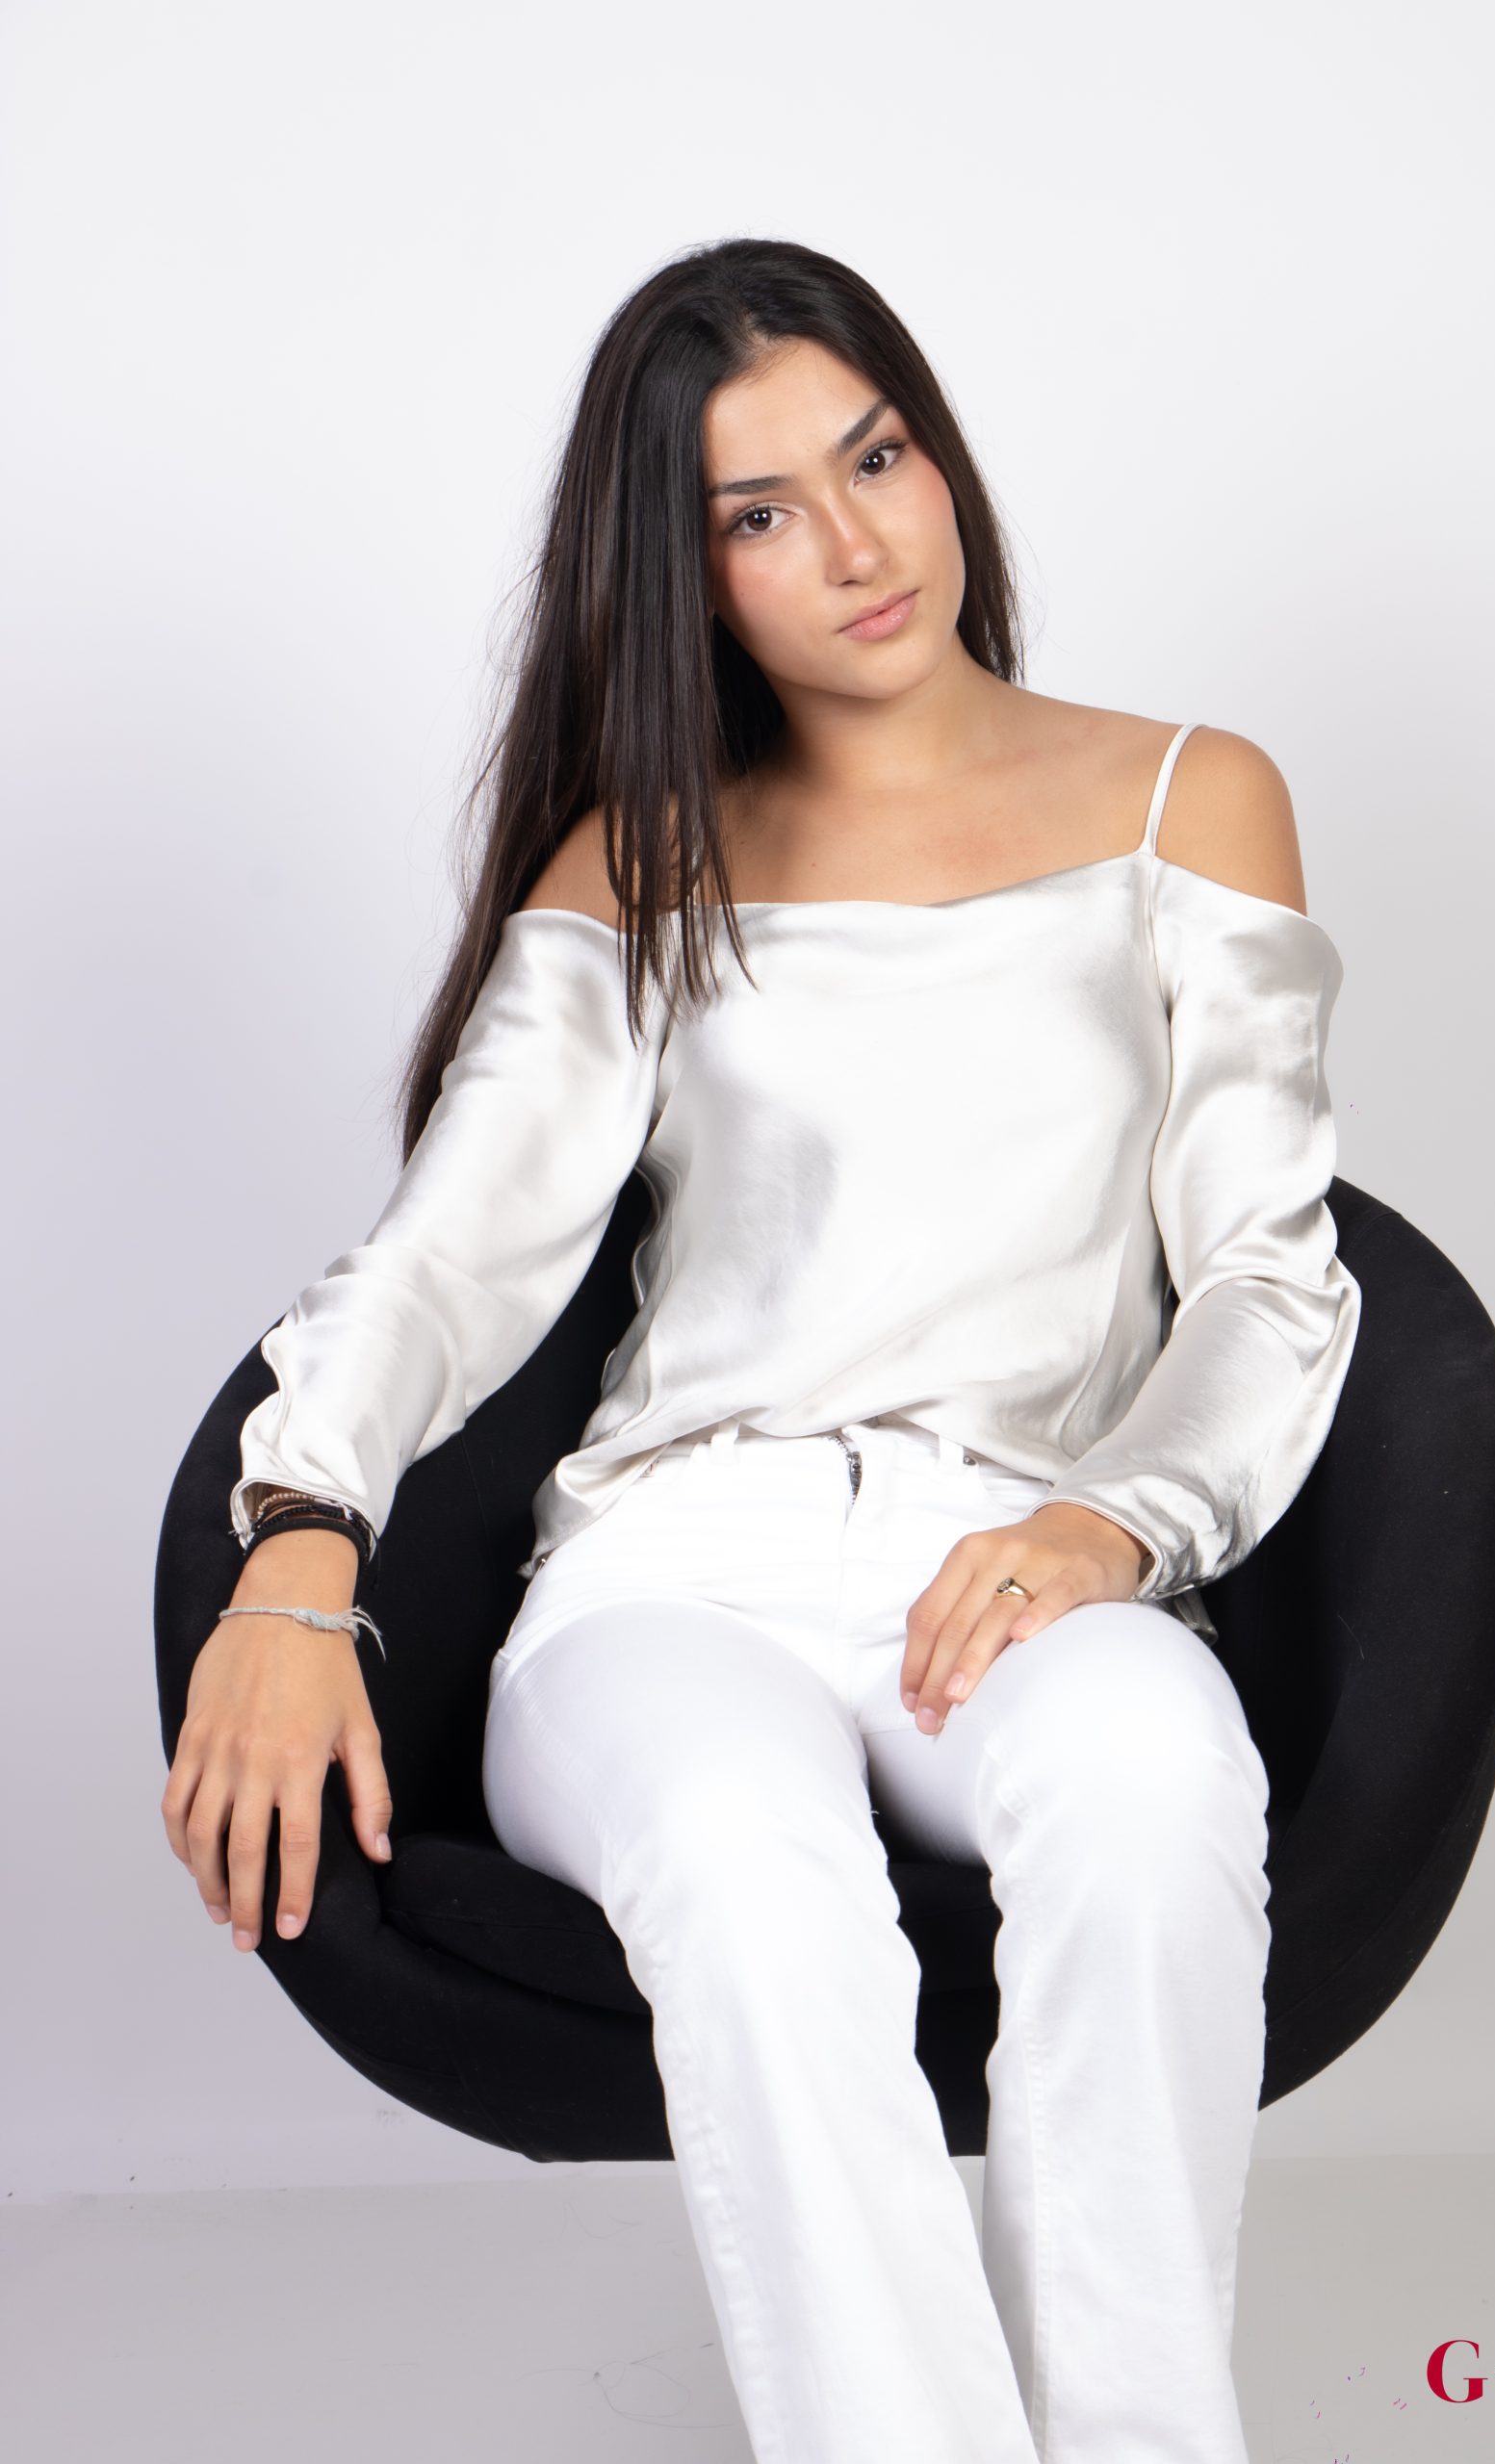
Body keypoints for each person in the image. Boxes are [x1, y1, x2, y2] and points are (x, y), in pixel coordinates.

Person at [162, 237, 1362, 2464]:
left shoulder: (1184, 799)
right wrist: (294, 1545)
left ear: (938, 454)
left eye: (873, 458)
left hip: (1015, 1553)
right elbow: (443, 1257)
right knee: (746, 1863)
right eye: (756, 512)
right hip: (668, 1581)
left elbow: (1267, 1276)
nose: (853, 544)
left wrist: (1114, 1520)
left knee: (1148, 1783)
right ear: (684, 573)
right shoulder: (643, 857)